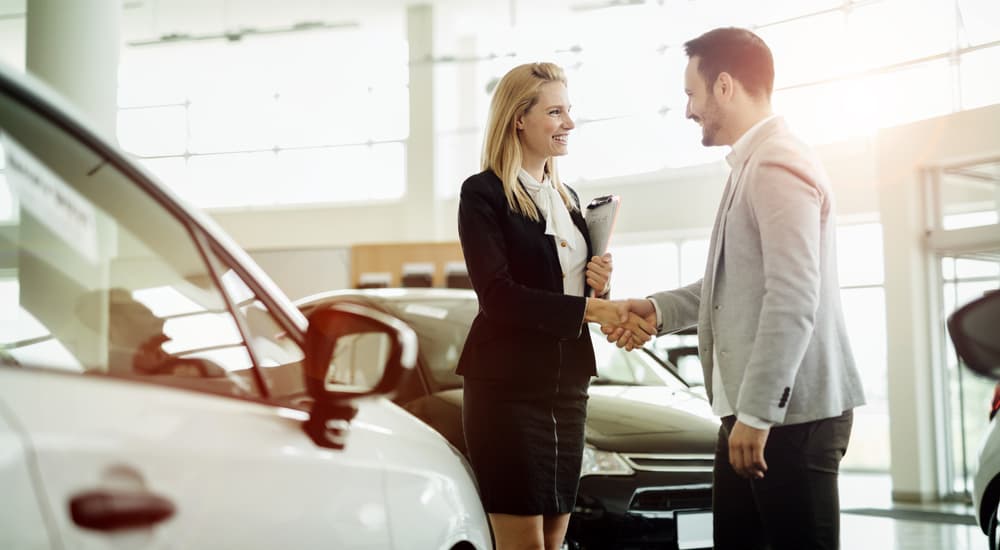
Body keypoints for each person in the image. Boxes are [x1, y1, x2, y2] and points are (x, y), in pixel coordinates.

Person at [607, 27, 866, 549]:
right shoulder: (752, 164)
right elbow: (733, 285)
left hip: (789, 421)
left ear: (723, 86)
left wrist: (757, 415)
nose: (687, 110)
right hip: (758, 417)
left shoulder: (776, 163)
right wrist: (657, 310)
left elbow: (793, 294)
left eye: (691, 94)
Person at [456, 62, 654, 550]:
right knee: (523, 542)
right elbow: (497, 296)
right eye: (555, 111)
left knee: (554, 537)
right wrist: (591, 312)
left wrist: (599, 288)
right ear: (518, 119)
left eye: (569, 111)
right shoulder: (483, 194)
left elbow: (574, 294)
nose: (568, 123)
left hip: (567, 388)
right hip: (507, 391)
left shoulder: (568, 200)